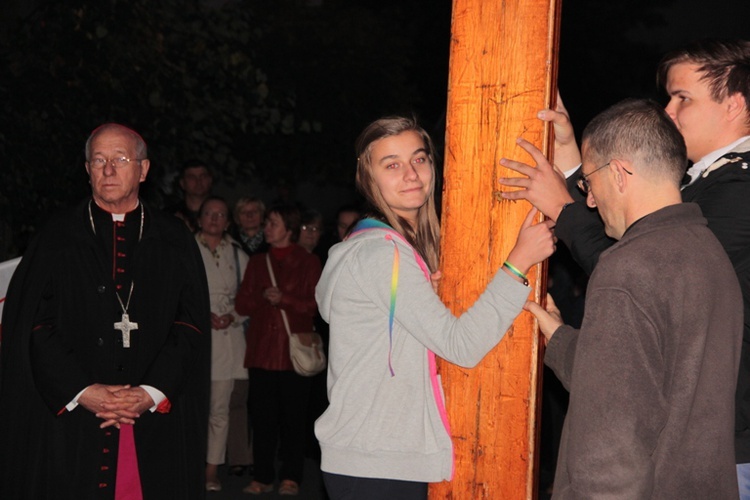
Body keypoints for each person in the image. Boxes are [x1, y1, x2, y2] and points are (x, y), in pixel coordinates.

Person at [499, 38, 750, 494]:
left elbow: (637, 264)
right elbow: (635, 366)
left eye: (683, 97)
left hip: (704, 453)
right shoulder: (702, 205)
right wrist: (579, 160)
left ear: (734, 104)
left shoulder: (738, 187)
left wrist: (564, 208)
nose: (668, 111)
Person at [314, 116, 555, 499]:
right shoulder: (382, 254)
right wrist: (517, 263)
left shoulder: (388, 249)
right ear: (368, 179)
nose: (410, 173)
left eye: (419, 159)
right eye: (391, 165)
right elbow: (461, 346)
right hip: (377, 460)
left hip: (376, 454)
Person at [0, 123, 211, 499]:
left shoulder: (173, 238)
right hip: (75, 417)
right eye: (98, 160)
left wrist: (150, 391)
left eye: (120, 159)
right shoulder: (57, 237)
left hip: (150, 414)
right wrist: (82, 390)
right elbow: (32, 324)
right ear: (87, 170)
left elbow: (190, 323)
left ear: (143, 170)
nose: (108, 170)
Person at [235, 204, 322, 496]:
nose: (266, 228)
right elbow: (241, 304)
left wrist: (284, 298)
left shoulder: (308, 262)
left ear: (289, 228)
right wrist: (262, 297)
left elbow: (315, 306)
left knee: (294, 420)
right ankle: (262, 476)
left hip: (292, 353)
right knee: (262, 420)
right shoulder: (258, 262)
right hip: (261, 352)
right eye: (268, 223)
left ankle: (291, 476)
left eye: (273, 223)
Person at [195, 196, 251, 492]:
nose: (214, 219)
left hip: (228, 341)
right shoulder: (186, 250)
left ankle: (211, 469)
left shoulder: (237, 254)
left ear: (228, 222)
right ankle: (188, 463)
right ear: (199, 218)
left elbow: (250, 297)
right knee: (191, 408)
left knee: (220, 409)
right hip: (194, 340)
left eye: (220, 214)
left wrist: (233, 316)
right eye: (209, 213)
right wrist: (202, 315)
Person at [167, 160, 214, 232]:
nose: (198, 181)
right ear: (182, 183)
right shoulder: (170, 214)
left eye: (203, 176)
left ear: (210, 180)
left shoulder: (222, 213)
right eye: (192, 177)